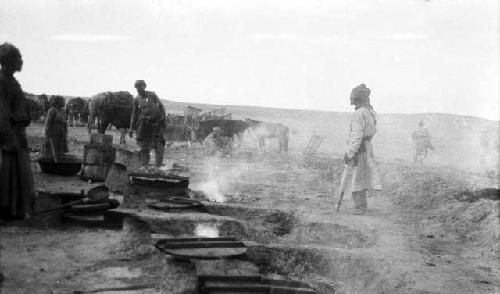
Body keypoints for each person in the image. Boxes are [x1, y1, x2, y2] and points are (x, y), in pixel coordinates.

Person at [0, 42, 34, 220]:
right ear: (8, 61)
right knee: (8, 173)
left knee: (19, 173)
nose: (20, 61)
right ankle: (6, 210)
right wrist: (7, 139)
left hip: (18, 132)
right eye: (16, 58)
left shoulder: (12, 81)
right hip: (10, 134)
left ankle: (14, 210)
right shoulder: (2, 81)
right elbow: (2, 112)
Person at [339, 84, 380, 215]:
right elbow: (372, 131)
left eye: (353, 94)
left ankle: (360, 207)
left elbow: (357, 136)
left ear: (357, 97)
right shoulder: (368, 112)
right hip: (366, 148)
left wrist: (350, 153)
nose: (350, 97)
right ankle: (362, 206)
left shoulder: (358, 114)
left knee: (357, 178)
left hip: (359, 149)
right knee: (361, 177)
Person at [129, 80, 167, 167]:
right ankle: (145, 165)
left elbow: (161, 106)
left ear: (144, 86)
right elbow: (134, 114)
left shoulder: (152, 95)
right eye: (137, 88)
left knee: (159, 143)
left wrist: (164, 119)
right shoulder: (136, 99)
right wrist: (131, 128)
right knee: (144, 145)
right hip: (145, 124)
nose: (139, 89)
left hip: (156, 122)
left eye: (140, 87)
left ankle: (159, 165)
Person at [42, 95, 68, 162]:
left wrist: (65, 131)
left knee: (60, 148)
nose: (64, 103)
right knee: (52, 148)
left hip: (61, 132)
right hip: (53, 132)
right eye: (63, 101)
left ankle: (59, 161)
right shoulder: (52, 111)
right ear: (58, 102)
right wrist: (47, 134)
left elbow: (65, 122)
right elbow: (48, 123)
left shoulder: (63, 111)